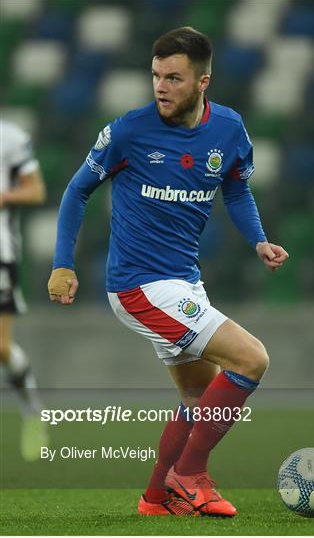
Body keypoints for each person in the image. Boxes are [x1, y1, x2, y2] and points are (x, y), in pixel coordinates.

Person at [48, 27, 288, 516]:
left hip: (182, 281)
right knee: (251, 360)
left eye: (174, 78)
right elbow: (76, 191)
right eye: (156, 75)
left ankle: (156, 499)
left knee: (198, 399)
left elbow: (237, 190)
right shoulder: (129, 131)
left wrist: (258, 239)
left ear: (203, 82)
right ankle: (190, 473)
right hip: (139, 285)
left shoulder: (229, 130)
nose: (161, 86)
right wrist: (62, 265)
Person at [0, 119, 48, 461]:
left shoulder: (10, 137)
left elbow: (36, 190)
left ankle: (33, 411)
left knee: (1, 348)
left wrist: (4, 195)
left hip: (0, 251)